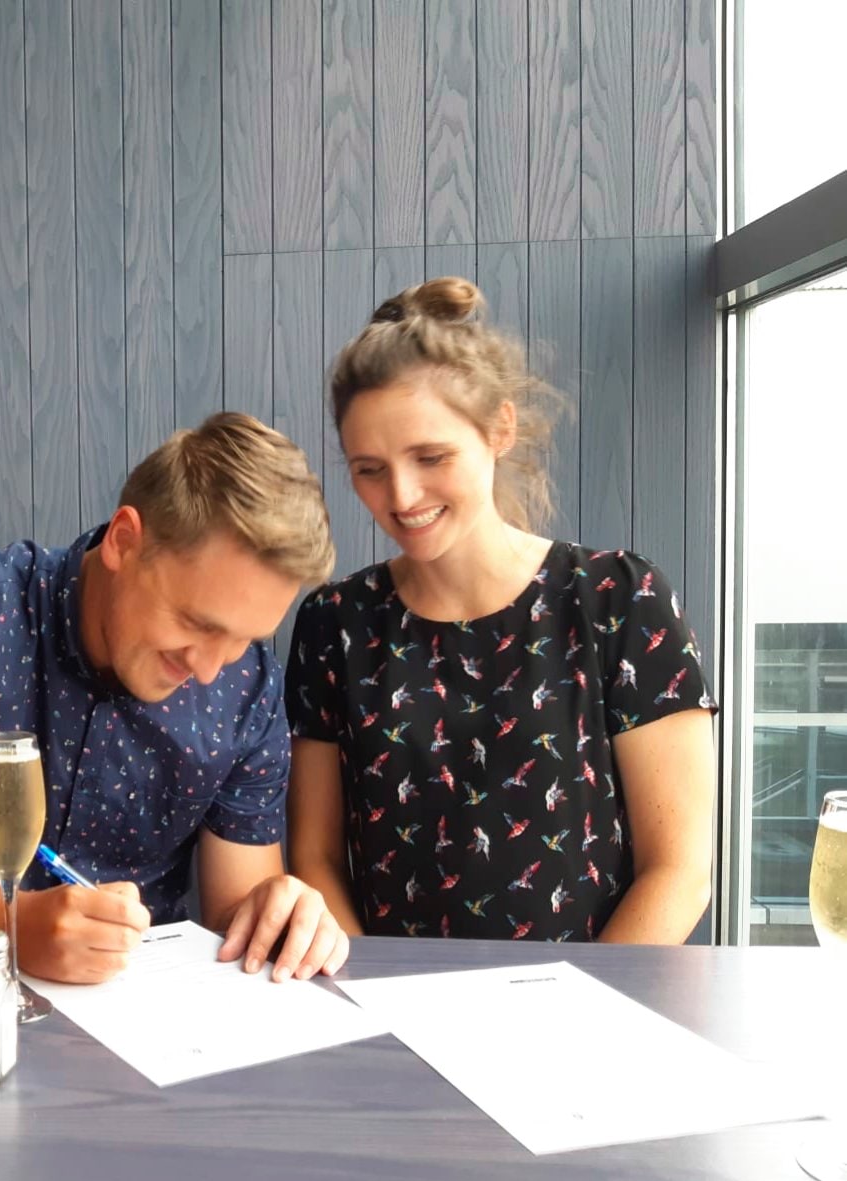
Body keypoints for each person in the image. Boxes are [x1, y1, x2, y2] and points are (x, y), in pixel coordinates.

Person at [0, 412, 350, 983]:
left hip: (146, 1025)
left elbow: (234, 917)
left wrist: (279, 915)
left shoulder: (249, 686)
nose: (211, 671)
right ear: (123, 541)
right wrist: (10, 926)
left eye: (244, 640)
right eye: (196, 622)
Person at [286, 278, 715, 943]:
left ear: (500, 430)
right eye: (369, 468)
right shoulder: (333, 623)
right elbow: (315, 859)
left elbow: (680, 871)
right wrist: (372, 1001)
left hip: (589, 1014)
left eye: (431, 457)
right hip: (391, 1012)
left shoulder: (619, 599)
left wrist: (582, 1016)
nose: (401, 495)